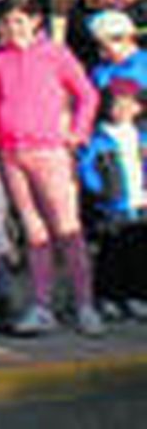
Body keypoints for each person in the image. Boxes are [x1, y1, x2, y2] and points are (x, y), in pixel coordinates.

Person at [0, 0, 102, 336]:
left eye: (20, 20)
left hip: (51, 150)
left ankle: (84, 304)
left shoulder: (55, 55)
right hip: (12, 153)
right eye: (7, 22)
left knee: (67, 228)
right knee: (33, 230)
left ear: (35, 21)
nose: (13, 28)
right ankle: (42, 305)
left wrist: (78, 133)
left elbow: (87, 94)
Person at [77, 78, 147, 322]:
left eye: (129, 104)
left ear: (138, 107)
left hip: (139, 204)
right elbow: (86, 167)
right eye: (117, 104)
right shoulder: (100, 138)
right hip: (111, 206)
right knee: (110, 256)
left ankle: (135, 296)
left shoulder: (141, 136)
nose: (123, 110)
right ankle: (108, 298)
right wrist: (100, 190)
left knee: (137, 253)